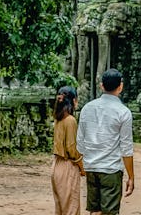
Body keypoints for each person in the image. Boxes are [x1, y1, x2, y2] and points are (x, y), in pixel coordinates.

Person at [77, 69, 135, 215]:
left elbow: (80, 142)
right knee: (109, 212)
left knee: (94, 211)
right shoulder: (123, 112)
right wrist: (131, 176)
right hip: (111, 169)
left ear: (101, 86)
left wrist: (86, 163)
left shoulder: (87, 108)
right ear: (120, 87)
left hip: (91, 167)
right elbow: (126, 148)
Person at [52, 86, 84, 215]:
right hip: (67, 166)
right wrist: (82, 167)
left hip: (56, 165)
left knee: (61, 209)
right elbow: (72, 149)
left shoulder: (58, 119)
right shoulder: (70, 120)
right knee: (71, 208)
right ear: (74, 100)